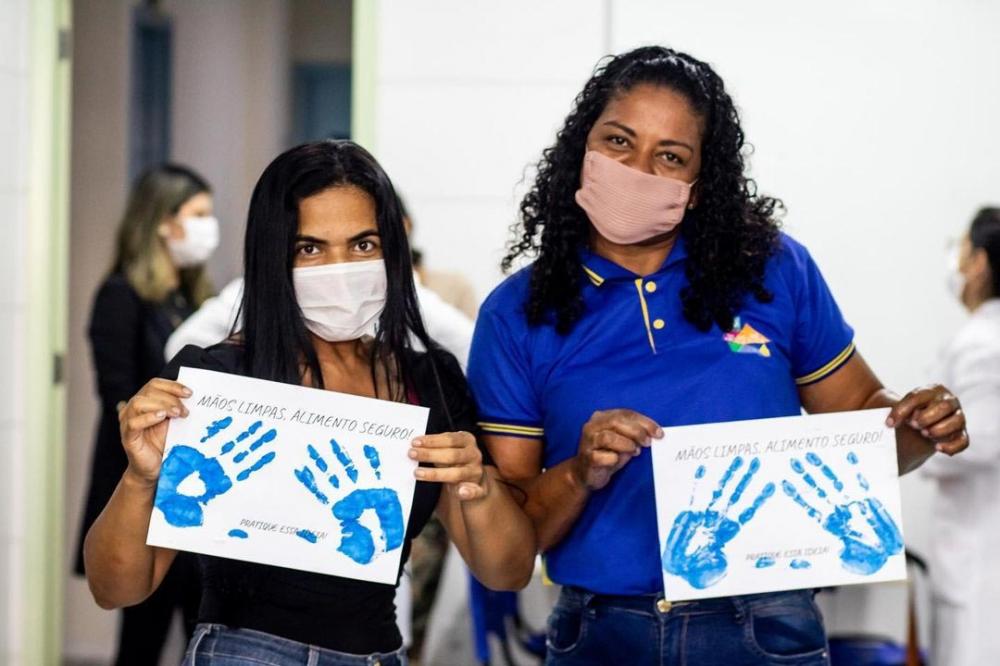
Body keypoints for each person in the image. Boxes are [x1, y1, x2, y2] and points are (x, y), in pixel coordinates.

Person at [467, 46, 969, 665]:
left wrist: (916, 424)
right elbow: (511, 538)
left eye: (670, 156)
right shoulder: (516, 314)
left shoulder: (773, 271)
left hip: (766, 624)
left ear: (698, 188)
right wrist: (578, 471)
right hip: (603, 633)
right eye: (619, 142)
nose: (638, 169)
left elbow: (865, 413)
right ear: (583, 150)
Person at [83, 140, 535, 666]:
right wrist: (139, 478)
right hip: (242, 652)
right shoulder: (217, 381)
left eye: (363, 245)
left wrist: (476, 484)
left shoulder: (429, 379)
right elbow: (115, 588)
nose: (339, 268)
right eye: (310, 248)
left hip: (378, 652)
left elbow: (507, 571)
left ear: (393, 250)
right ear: (273, 258)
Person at [74, 164, 218, 665]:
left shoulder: (195, 297)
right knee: (144, 629)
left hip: (192, 483)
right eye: (198, 214)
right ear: (163, 221)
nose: (208, 226)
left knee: (199, 622)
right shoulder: (121, 295)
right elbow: (115, 389)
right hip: (142, 478)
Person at [922, 207, 1000, 666]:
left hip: (981, 565)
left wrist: (914, 446)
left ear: (980, 263)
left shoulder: (981, 345)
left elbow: (983, 442)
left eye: (964, 249)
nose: (957, 260)